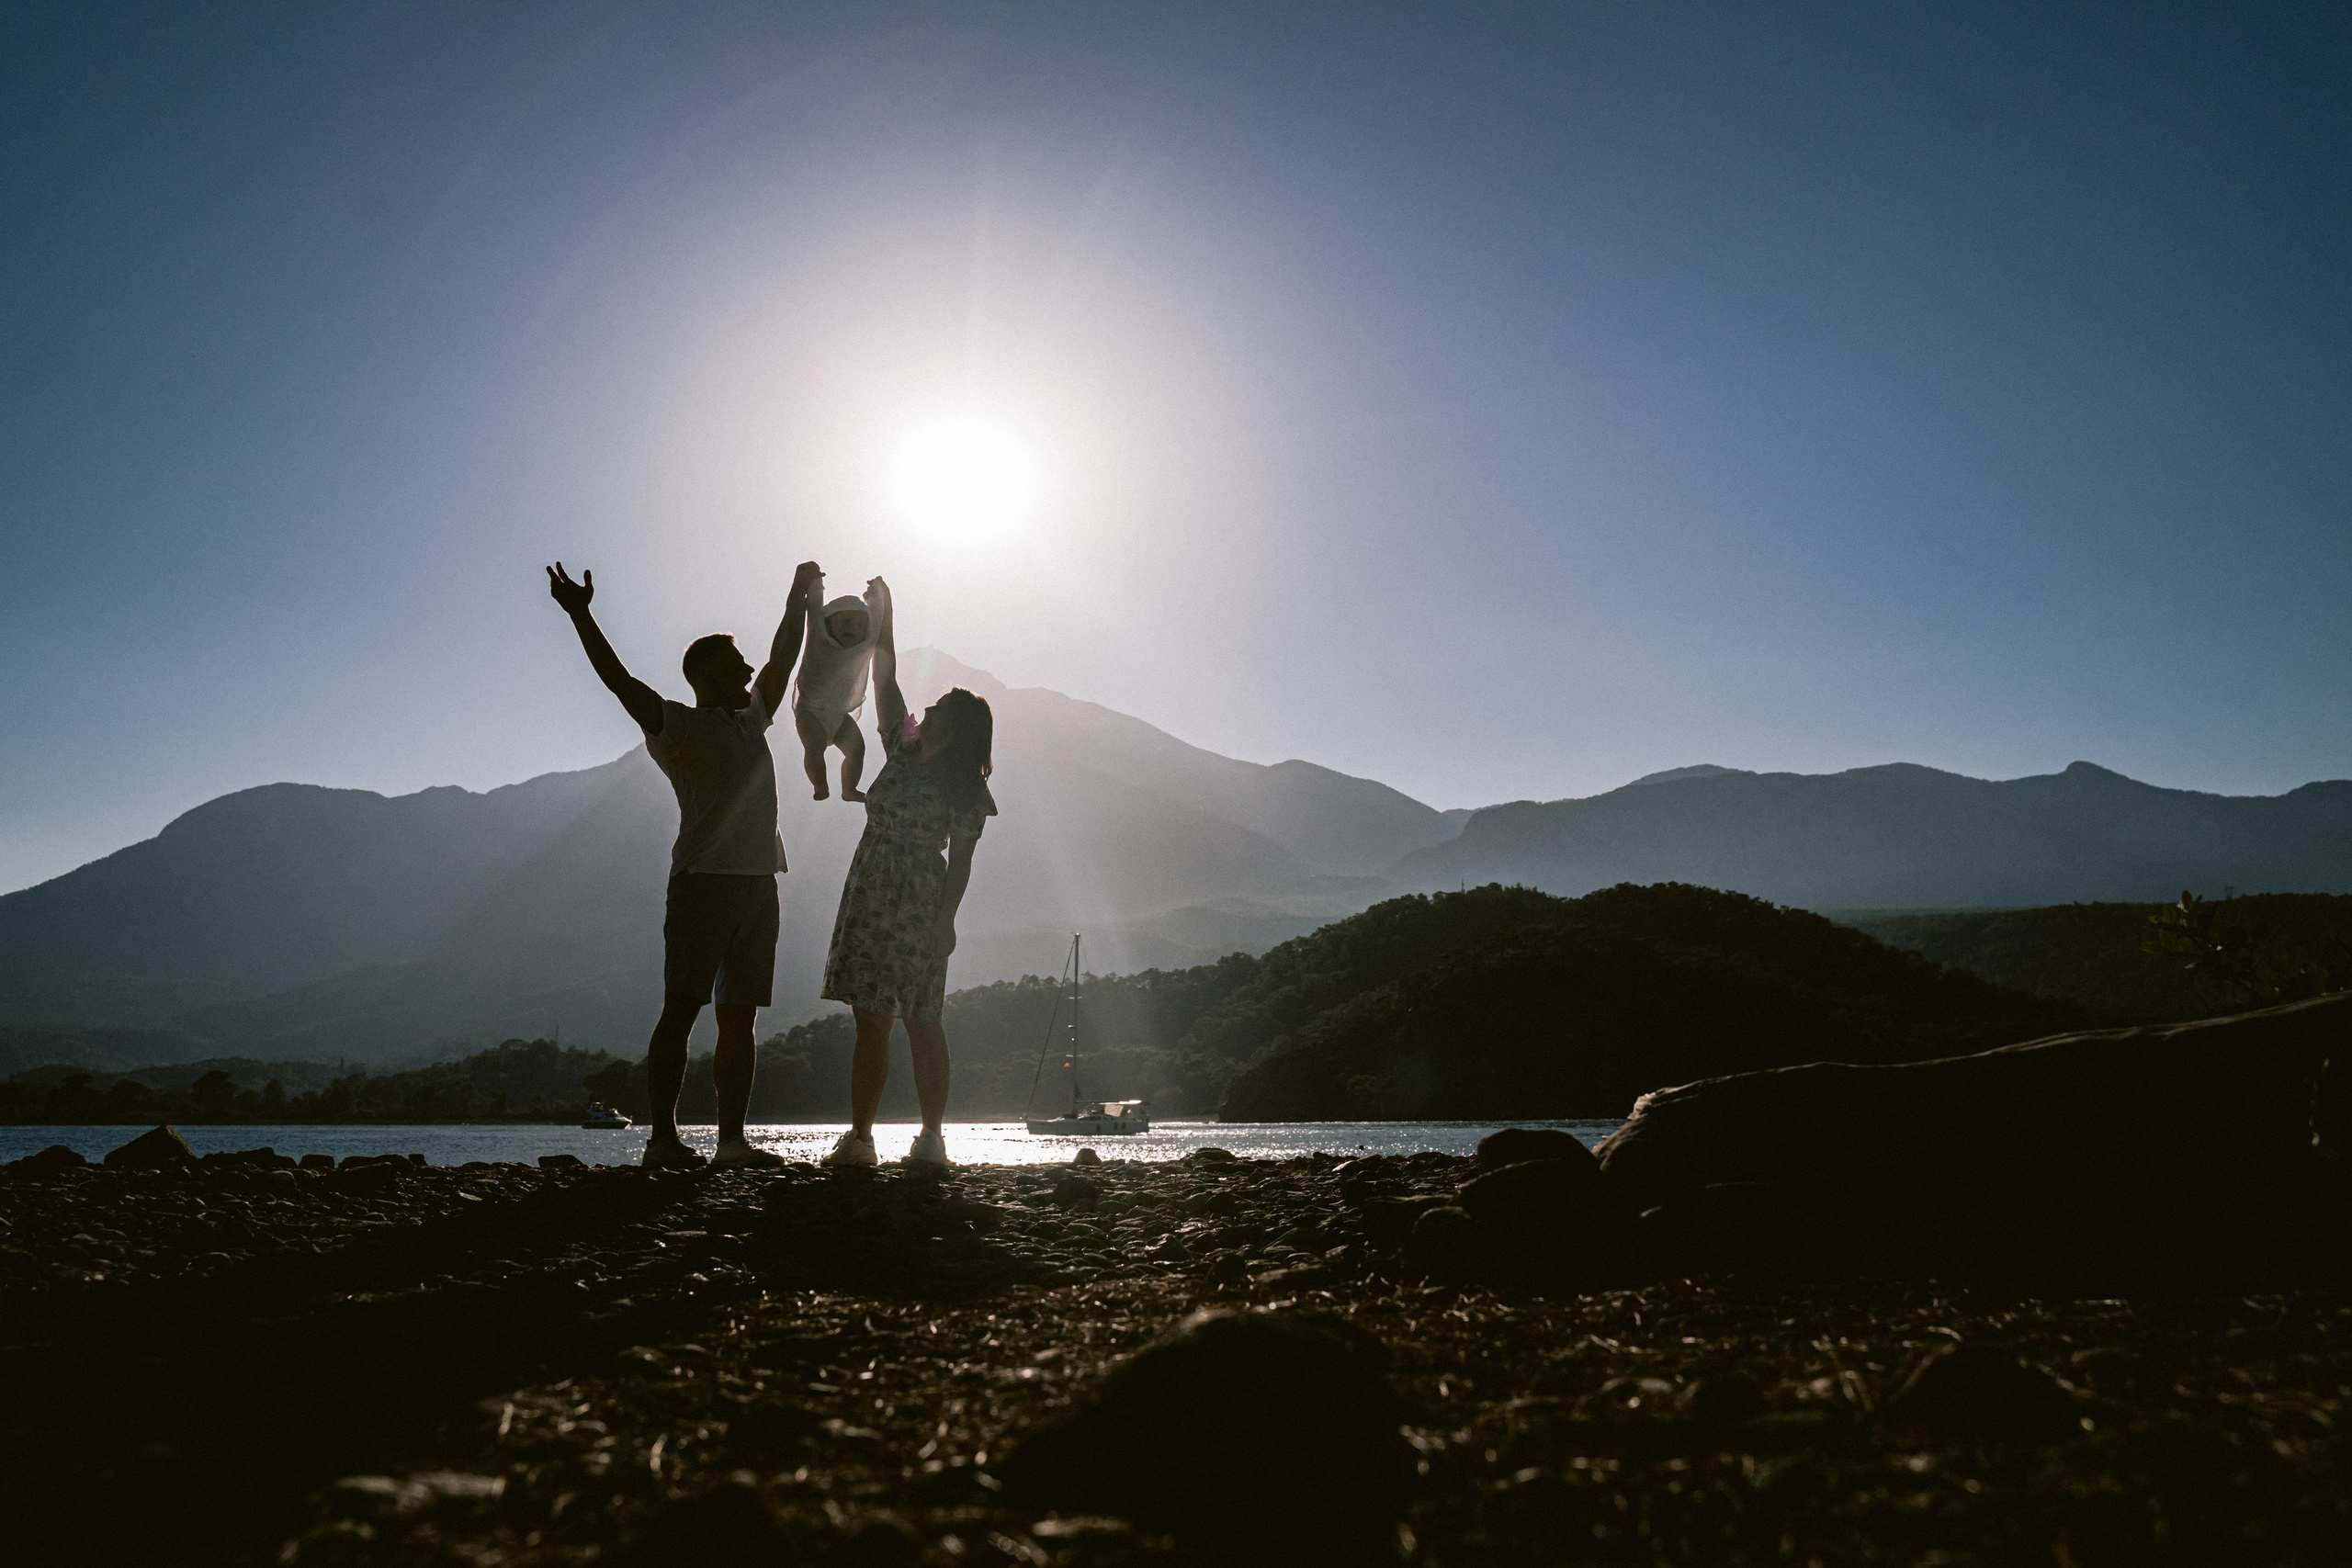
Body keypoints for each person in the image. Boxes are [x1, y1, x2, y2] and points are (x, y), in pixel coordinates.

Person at [545, 557, 821, 1170]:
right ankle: (663, 1140)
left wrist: (797, 600)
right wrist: (581, 614)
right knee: (681, 1011)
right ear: (707, 678)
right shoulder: (679, 727)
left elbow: (781, 661)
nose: (749, 670)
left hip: (758, 884)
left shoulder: (753, 722)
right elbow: (620, 682)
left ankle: (730, 1143)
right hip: (700, 886)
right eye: (735, 665)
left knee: (739, 1019)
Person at [817, 577, 996, 1168]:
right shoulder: (899, 745)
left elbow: (963, 862)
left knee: (921, 1018)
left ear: (958, 727)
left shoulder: (966, 787)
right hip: (870, 884)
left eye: (943, 706)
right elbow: (886, 674)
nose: (932, 706)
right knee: (871, 1021)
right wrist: (884, 614)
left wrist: (947, 921)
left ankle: (932, 1139)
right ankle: (862, 1138)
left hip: (919, 895)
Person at [791, 574, 888, 803]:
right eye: (844, 622)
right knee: (814, 747)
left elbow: (877, 617)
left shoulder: (865, 643)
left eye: (858, 624)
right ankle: (820, 784)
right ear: (828, 623)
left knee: (857, 749)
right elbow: (814, 611)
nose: (852, 628)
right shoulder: (819, 637)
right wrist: (815, 582)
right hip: (809, 711)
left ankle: (849, 788)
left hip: (840, 715)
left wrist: (876, 594)